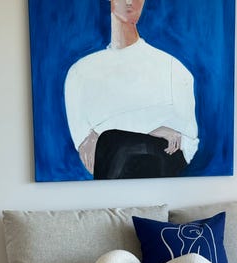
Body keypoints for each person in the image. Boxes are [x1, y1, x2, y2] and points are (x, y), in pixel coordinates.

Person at [64, 0, 199, 179]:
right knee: (112, 143)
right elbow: (89, 154)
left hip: (160, 168)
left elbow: (187, 145)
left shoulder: (173, 69)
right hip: (112, 168)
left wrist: (106, 133)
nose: (129, 2)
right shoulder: (80, 73)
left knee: (114, 143)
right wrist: (152, 131)